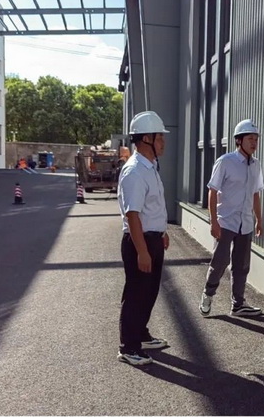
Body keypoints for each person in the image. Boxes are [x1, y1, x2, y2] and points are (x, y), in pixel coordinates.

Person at [117, 111, 171, 366]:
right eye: (160, 137)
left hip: (152, 240)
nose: (163, 142)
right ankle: (129, 347)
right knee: (136, 295)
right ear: (146, 139)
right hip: (139, 242)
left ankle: (141, 334)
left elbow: (153, 207)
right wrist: (142, 251)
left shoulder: (150, 167)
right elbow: (133, 215)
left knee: (149, 292)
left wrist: (162, 233)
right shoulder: (135, 171)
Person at [199, 119, 264, 317]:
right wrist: (213, 221)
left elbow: (255, 194)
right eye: (250, 138)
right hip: (226, 221)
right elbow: (212, 191)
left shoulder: (255, 165)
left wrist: (259, 220)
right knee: (220, 261)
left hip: (245, 223)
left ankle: (238, 304)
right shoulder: (225, 162)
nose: (254, 142)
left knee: (242, 265)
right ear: (239, 140)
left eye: (256, 139)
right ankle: (208, 294)